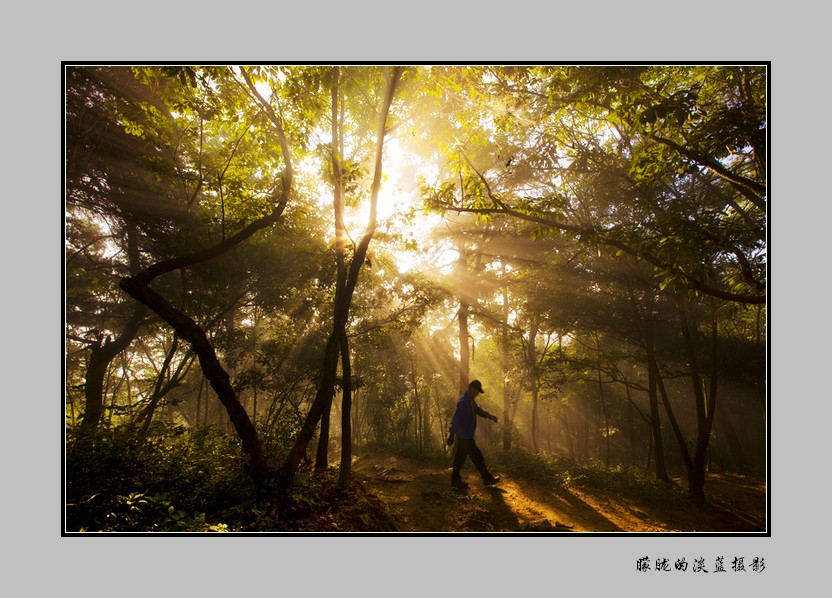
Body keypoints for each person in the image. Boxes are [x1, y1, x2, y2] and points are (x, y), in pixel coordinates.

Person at [446, 380, 501, 489]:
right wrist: (451, 435)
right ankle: (487, 479)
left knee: (460, 459)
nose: (477, 394)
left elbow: (478, 410)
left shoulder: (470, 400)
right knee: (477, 456)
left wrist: (489, 416)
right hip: (465, 437)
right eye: (477, 391)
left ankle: (455, 481)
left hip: (466, 436)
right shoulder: (463, 402)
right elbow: (455, 419)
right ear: (471, 388)